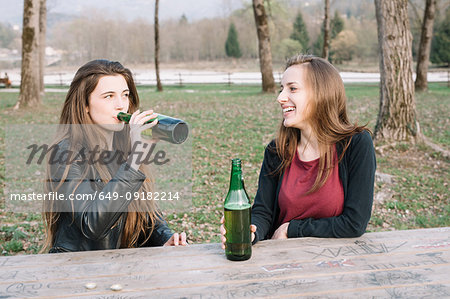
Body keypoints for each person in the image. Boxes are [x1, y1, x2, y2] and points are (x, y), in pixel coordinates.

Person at [221, 54, 376, 246]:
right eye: (281, 89)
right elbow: (263, 213)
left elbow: (354, 223)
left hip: (337, 262)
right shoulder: (276, 151)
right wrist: (249, 230)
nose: (280, 98)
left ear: (321, 93)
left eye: (292, 88)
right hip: (282, 259)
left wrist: (292, 229)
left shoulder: (356, 144)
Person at [42, 59, 186, 253]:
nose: (121, 105)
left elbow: (145, 215)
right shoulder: (65, 152)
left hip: (120, 267)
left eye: (125, 95)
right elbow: (92, 224)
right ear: (85, 104)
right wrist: (134, 161)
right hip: (75, 270)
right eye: (109, 96)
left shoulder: (123, 147)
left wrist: (166, 239)